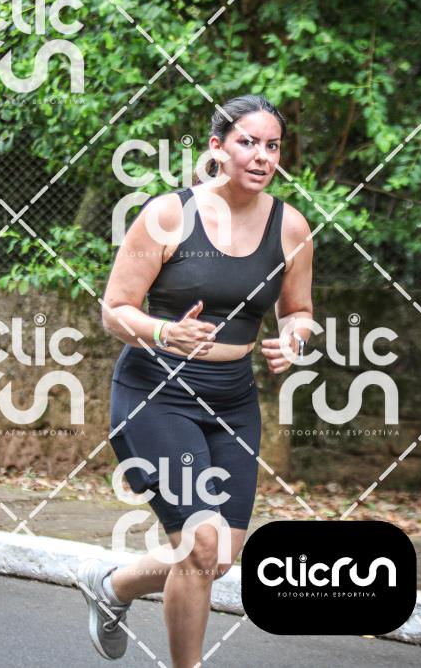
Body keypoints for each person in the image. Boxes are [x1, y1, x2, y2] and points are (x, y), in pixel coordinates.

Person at [78, 94, 314, 666]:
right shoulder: (168, 215)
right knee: (199, 541)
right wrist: (164, 332)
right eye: (247, 142)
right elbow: (114, 310)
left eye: (272, 146)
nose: (261, 156)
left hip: (233, 400)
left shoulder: (290, 226)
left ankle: (112, 586)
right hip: (156, 392)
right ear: (217, 148)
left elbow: (300, 311)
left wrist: (296, 341)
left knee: (217, 556)